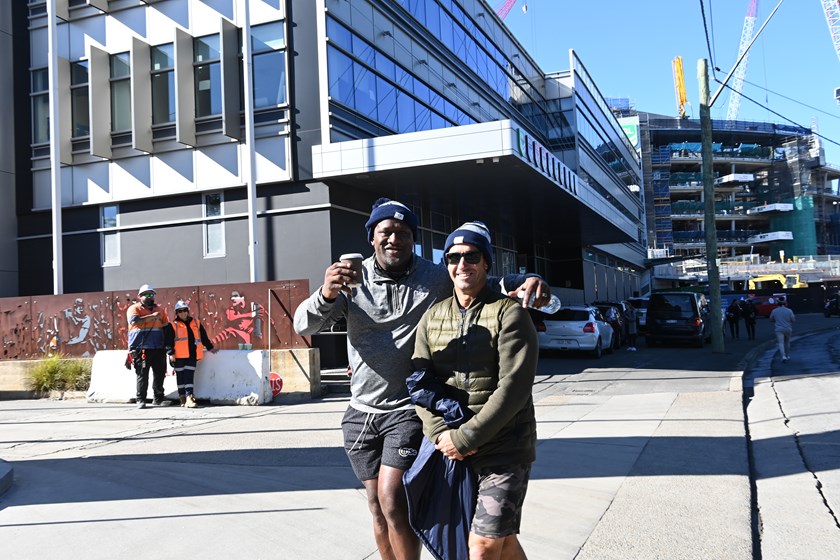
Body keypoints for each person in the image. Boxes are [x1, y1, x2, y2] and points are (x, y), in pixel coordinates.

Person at [293, 199, 549, 560]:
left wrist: (526, 279)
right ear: (372, 238)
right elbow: (303, 325)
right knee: (377, 506)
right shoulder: (351, 280)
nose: (394, 238)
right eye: (386, 231)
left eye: (403, 233)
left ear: (413, 239)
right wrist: (326, 293)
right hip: (361, 410)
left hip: (407, 410)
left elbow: (479, 278)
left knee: (394, 499)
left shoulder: (434, 276)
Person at [411, 221, 537, 560]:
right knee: (502, 540)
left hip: (505, 449)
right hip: (452, 448)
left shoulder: (509, 314)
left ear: (486, 263)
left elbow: (515, 387)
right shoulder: (432, 316)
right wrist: (440, 435)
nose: (462, 265)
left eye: (472, 256)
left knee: (482, 546)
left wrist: (466, 438)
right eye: (453, 257)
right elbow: (420, 383)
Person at [165, 300, 217, 407]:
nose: (183, 313)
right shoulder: (173, 325)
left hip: (192, 355)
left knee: (189, 376)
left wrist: (210, 347)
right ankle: (182, 397)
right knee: (180, 377)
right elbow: (168, 341)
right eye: (180, 311)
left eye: (184, 310)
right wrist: (171, 353)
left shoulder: (196, 323)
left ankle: (189, 397)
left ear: (188, 311)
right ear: (177, 313)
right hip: (178, 356)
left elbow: (203, 336)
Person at [127, 284, 170, 408]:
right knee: (142, 374)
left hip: (158, 347)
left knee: (160, 374)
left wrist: (168, 345)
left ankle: (158, 398)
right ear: (140, 296)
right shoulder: (134, 308)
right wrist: (152, 316)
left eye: (151, 294)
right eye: (146, 294)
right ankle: (140, 399)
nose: (149, 297)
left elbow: (166, 327)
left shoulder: (160, 310)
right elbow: (134, 321)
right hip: (141, 349)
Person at [769, 296, 796, 363]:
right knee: (787, 342)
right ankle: (787, 355)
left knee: (781, 342)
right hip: (788, 328)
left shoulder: (774, 311)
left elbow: (771, 319)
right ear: (785, 303)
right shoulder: (789, 310)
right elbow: (793, 320)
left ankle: (783, 356)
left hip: (779, 328)